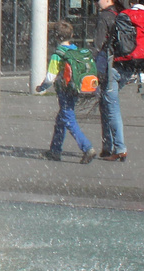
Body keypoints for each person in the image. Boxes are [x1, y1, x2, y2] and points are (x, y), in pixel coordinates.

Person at [34, 21, 97, 164]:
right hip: (76, 88)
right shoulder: (76, 50)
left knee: (68, 118)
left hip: (64, 90)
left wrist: (41, 88)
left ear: (55, 37)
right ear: (72, 35)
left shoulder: (58, 54)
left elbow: (50, 78)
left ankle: (87, 148)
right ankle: (55, 150)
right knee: (61, 119)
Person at [92, 0, 133, 161]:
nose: (96, 2)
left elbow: (97, 45)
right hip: (125, 66)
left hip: (111, 67)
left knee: (111, 107)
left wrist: (87, 63)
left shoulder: (104, 17)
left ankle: (119, 148)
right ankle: (107, 146)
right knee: (107, 105)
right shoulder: (121, 14)